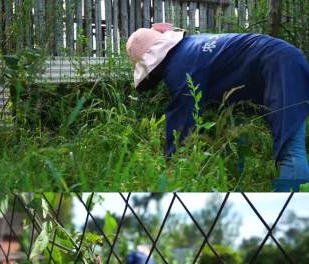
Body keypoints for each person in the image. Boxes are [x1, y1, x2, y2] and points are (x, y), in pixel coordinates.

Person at [126, 23, 309, 191]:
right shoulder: (190, 47)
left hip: (281, 66)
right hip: (275, 62)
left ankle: (291, 219)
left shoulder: (180, 65)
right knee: (235, 135)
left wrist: (171, 164)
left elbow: (182, 118)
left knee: (290, 149)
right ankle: (238, 189)